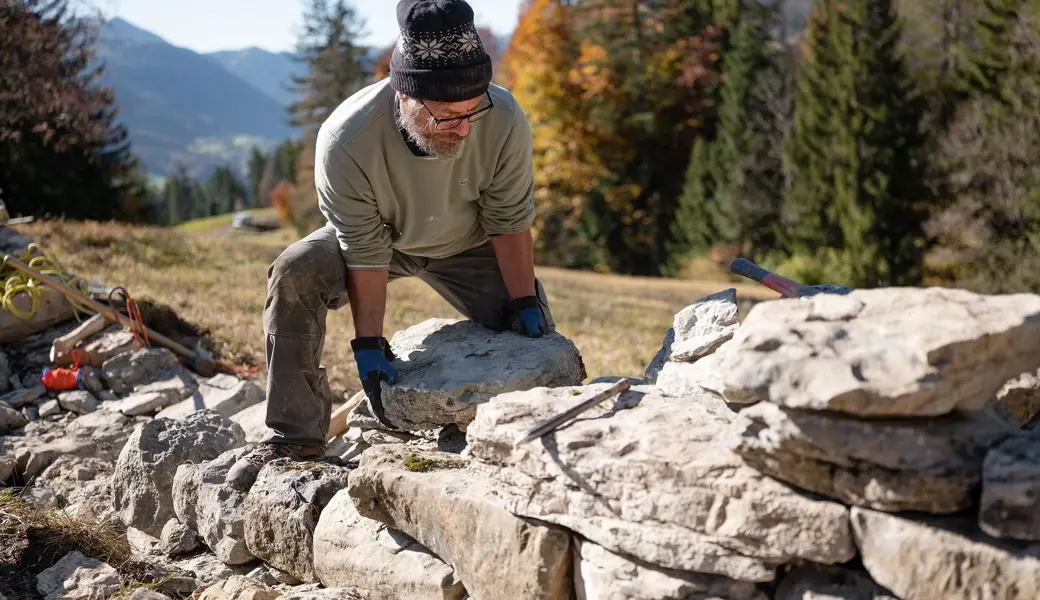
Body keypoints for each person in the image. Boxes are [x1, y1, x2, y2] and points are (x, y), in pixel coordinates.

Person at [226, 0, 555, 489]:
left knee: (535, 340)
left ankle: (526, 441)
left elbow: (508, 220)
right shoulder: (347, 139)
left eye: (473, 111)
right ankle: (295, 437)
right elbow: (364, 250)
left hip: (470, 241)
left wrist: (524, 301)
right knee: (296, 269)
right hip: (381, 242)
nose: (464, 128)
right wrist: (368, 345)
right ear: (405, 94)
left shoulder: (502, 118)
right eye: (446, 117)